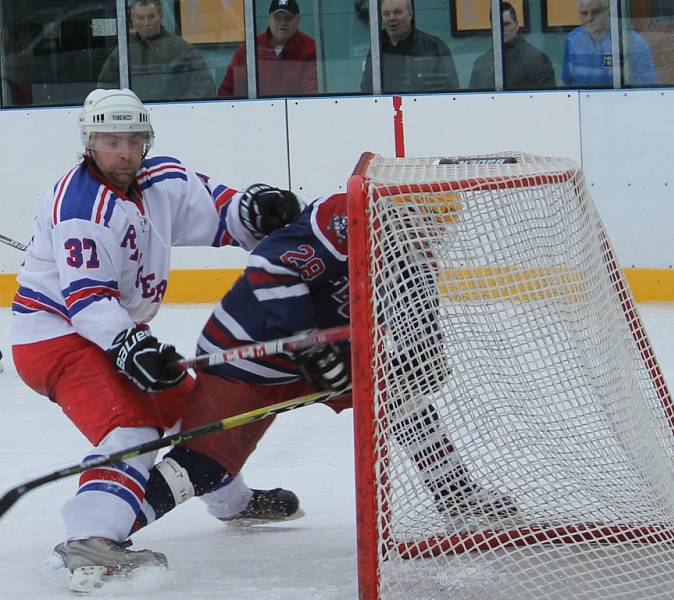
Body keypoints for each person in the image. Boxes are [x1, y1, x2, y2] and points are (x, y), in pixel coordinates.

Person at [10, 87, 300, 592]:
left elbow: (221, 211)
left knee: (200, 414)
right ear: (88, 141)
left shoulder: (161, 177)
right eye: (109, 139)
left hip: (115, 331)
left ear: (147, 140)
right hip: (56, 337)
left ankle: (232, 503)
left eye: (133, 139)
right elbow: (87, 301)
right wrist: (128, 345)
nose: (123, 150)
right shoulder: (80, 205)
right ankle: (92, 536)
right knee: (134, 428)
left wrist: (256, 211)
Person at [118, 191, 518, 551]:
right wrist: (307, 339)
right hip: (247, 357)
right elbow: (270, 267)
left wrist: (423, 354)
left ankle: (454, 492)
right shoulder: (344, 218)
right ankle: (108, 533)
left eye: (439, 226)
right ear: (399, 211)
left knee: (400, 394)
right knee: (204, 465)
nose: (430, 235)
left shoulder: (413, 247)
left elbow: (416, 310)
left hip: (325, 357)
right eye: (423, 223)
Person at [98, 0, 216, 101]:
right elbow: (104, 88)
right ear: (132, 20)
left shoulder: (182, 50)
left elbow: (204, 88)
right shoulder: (123, 51)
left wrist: (179, 107)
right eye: (140, 18)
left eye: (151, 17)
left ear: (161, 16)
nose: (146, 23)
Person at [218, 0, 318, 97]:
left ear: (298, 19)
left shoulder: (310, 48)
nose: (282, 22)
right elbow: (227, 92)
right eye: (277, 18)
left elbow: (312, 93)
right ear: (269, 19)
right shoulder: (249, 48)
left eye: (288, 18)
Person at [360, 0, 459, 93]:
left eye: (397, 12)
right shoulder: (377, 49)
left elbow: (450, 92)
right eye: (386, 14)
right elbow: (367, 89)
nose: (392, 18)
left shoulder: (434, 47)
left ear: (410, 14)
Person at [561, 0, 656, 87]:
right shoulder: (572, 39)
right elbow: (567, 80)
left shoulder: (633, 41)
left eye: (595, 12)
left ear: (607, 11)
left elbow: (646, 85)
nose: (589, 18)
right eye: (584, 13)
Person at [469, 1, 555, 90]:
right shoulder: (482, 63)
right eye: (497, 25)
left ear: (517, 25)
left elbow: (547, 99)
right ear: (491, 28)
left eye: (506, 24)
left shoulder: (538, 60)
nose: (501, 30)